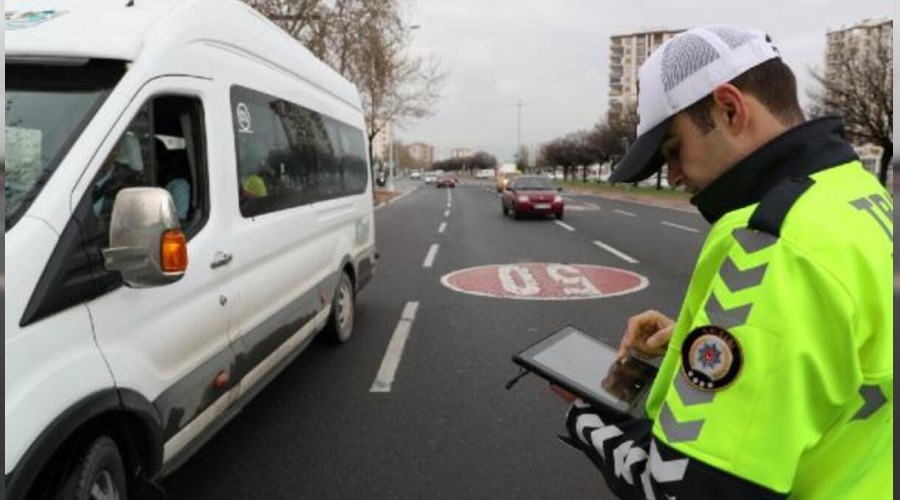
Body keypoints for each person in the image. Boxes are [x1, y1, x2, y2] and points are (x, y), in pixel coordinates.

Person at [553, 25, 892, 499]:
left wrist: (584, 417)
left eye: (673, 150)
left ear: (730, 108)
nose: (671, 176)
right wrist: (720, 338)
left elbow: (676, 488)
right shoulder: (859, 194)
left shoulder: (771, 240)